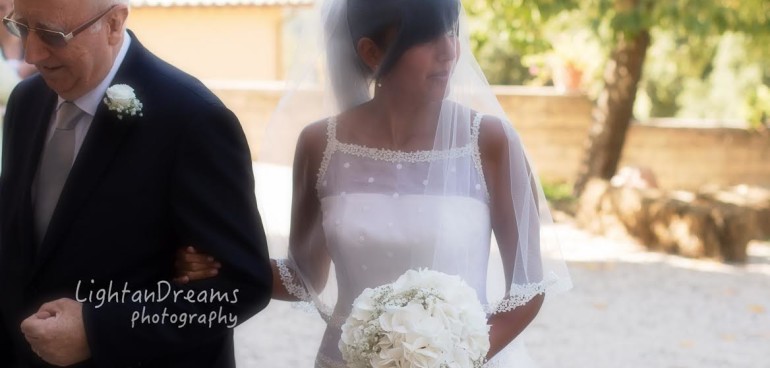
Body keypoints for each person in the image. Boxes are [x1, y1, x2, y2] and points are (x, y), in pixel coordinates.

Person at [177, 0, 572, 366]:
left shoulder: (490, 142)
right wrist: (221, 261)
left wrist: (450, 357)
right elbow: (304, 276)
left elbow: (527, 286)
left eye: (451, 30)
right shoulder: (320, 144)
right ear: (371, 52)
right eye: (426, 37)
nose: (449, 50)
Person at [0, 0, 272, 366]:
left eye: (52, 34)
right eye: (22, 27)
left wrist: (98, 331)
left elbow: (242, 288)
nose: (32, 53)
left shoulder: (192, 119)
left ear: (113, 23)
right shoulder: (26, 101)